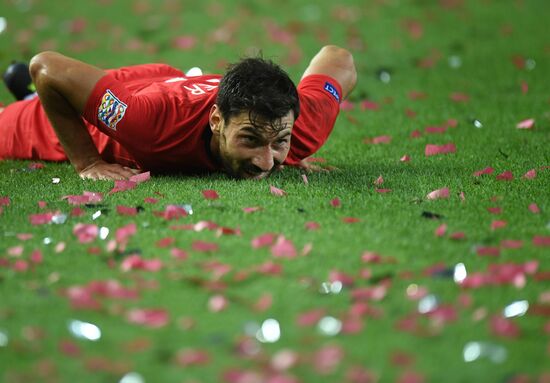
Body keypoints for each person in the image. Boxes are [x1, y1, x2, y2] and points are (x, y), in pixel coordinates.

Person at [0, 45, 356, 180]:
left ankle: (28, 94)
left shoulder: (300, 122)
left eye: (279, 141)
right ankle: (31, 101)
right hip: (132, 106)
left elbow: (337, 57)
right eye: (250, 140)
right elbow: (46, 66)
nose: (267, 162)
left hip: (159, 82)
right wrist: (88, 164)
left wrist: (287, 148)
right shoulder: (147, 124)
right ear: (217, 121)